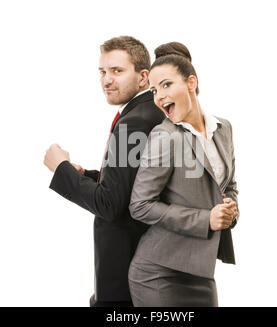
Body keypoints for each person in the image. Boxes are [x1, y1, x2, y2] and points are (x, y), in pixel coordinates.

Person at [43, 36, 165, 307]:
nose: (107, 80)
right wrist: (83, 174)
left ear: (143, 77)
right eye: (103, 72)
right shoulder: (148, 113)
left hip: (125, 268)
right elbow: (130, 182)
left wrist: (60, 168)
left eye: (117, 71)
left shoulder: (132, 123)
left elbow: (109, 204)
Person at [128, 42, 239, 307]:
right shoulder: (164, 136)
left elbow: (229, 185)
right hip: (158, 273)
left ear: (191, 82)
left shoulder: (224, 128)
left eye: (166, 85)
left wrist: (231, 210)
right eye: (154, 90)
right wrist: (205, 219)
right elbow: (140, 206)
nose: (159, 96)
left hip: (200, 270)